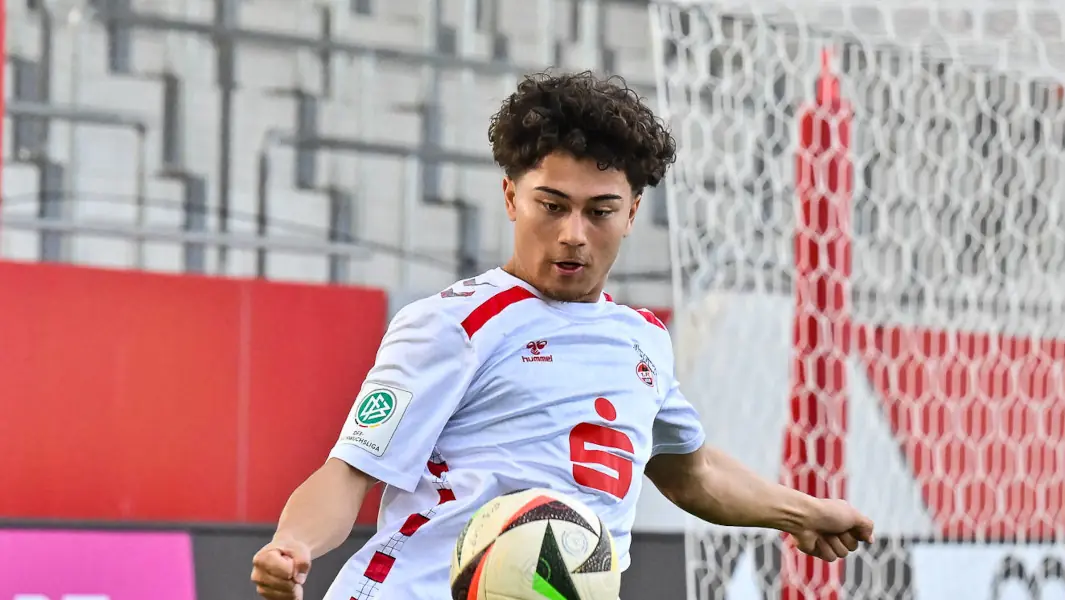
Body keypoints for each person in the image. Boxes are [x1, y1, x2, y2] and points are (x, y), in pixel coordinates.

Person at [250, 71, 874, 600]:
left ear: (631, 213)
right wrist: (292, 546)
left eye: (600, 211)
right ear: (510, 198)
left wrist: (803, 512)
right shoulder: (451, 324)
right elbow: (350, 473)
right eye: (551, 205)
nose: (574, 233)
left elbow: (694, 471)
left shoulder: (643, 341)